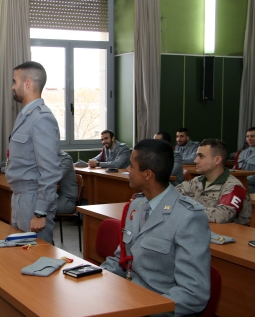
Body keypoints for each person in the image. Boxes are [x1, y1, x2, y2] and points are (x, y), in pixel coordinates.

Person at [101, 139, 210, 317]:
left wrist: (146, 310)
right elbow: (120, 260)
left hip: (153, 309)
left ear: (148, 175)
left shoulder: (188, 216)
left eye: (131, 166)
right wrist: (95, 281)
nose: (127, 170)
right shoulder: (136, 206)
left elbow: (193, 293)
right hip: (126, 299)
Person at [5, 61, 61, 244]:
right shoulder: (25, 116)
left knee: (36, 258)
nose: (13, 87)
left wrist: (40, 212)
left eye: (14, 81)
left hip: (33, 200)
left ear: (27, 83)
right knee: (19, 256)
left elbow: (50, 171)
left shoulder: (41, 118)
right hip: (21, 196)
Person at [175, 139, 251, 225]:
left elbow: (223, 215)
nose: (195, 160)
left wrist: (185, 211)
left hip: (225, 235)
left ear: (217, 160)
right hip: (197, 230)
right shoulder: (197, 181)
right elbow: (172, 195)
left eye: (201, 156)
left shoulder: (234, 187)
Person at [234, 127, 255, 193]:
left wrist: (241, 180)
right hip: (239, 183)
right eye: (247, 136)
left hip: (252, 186)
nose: (249, 138)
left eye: (252, 136)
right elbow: (234, 169)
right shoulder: (242, 153)